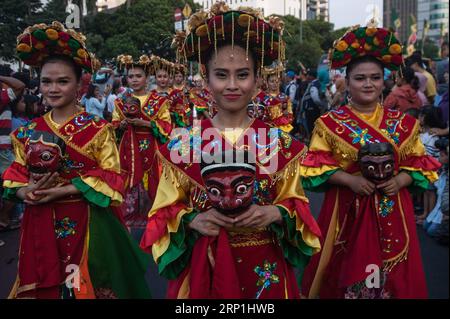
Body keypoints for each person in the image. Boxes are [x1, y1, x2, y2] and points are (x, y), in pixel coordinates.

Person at [140, 3, 321, 299]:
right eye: (222, 75)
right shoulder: (183, 144)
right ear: (205, 76)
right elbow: (162, 213)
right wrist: (191, 220)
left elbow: (298, 207)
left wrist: (274, 212)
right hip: (204, 268)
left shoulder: (277, 142)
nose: (232, 85)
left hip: (265, 269)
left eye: (243, 74)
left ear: (257, 77)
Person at [6, 21, 152, 299]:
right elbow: (15, 174)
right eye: (46, 81)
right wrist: (25, 191)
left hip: (88, 222)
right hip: (40, 221)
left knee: (86, 286)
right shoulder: (26, 132)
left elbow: (113, 176)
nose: (52, 88)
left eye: (63, 81)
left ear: (79, 84)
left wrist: (63, 189)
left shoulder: (97, 129)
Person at [300, 25, 441, 299]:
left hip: (393, 209)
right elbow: (314, 167)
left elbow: (420, 164)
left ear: (383, 81)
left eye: (375, 78)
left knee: (394, 278)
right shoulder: (329, 124)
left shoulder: (404, 124)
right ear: (347, 81)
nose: (368, 84)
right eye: (360, 78)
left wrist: (401, 179)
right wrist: (349, 179)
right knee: (343, 275)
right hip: (345, 210)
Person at [112, 54, 172, 233]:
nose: (134, 80)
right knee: (127, 186)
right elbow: (113, 126)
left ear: (147, 78)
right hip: (127, 150)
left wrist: (146, 124)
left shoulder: (158, 101)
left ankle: (154, 225)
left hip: (151, 151)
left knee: (152, 185)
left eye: (138, 76)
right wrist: (120, 125)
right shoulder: (120, 102)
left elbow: (167, 127)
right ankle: (128, 225)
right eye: (131, 76)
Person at [253, 64, 294, 132]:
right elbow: (256, 114)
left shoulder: (285, 97)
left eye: (277, 81)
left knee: (276, 142)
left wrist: (283, 118)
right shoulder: (261, 97)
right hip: (263, 129)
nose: (275, 84)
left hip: (280, 129)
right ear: (267, 82)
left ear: (280, 82)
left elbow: (290, 115)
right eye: (272, 81)